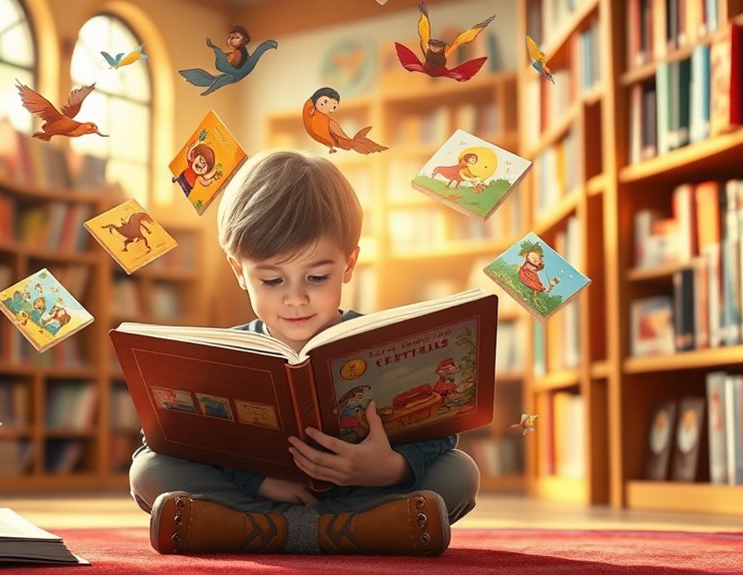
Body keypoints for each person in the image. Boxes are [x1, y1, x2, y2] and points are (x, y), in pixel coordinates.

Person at [129, 150, 480, 556]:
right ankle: (355, 531)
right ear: (239, 271)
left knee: (460, 471)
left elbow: (442, 430)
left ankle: (253, 530)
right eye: (272, 279)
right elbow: (163, 437)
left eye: (317, 276)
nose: (296, 298)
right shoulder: (223, 353)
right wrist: (255, 481)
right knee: (148, 470)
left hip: (362, 489)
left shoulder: (382, 340)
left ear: (349, 264)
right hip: (263, 494)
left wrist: (390, 469)